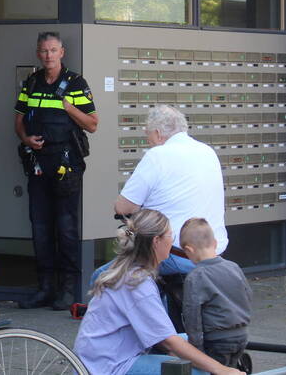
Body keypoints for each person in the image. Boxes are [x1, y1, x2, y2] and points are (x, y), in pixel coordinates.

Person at [72, 209, 244, 375]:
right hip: (111, 367)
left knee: (198, 345)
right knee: (200, 371)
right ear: (156, 241)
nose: (173, 242)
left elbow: (165, 338)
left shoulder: (132, 271)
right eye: (170, 236)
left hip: (106, 357)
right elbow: (168, 342)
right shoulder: (136, 284)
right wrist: (221, 369)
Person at [14, 31, 98, 310]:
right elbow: (18, 120)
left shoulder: (76, 83)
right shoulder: (32, 82)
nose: (48, 55)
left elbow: (92, 124)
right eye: (44, 51)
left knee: (66, 227)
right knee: (40, 227)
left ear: (62, 52)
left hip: (66, 164)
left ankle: (68, 291)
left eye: (53, 50)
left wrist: (68, 107)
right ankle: (45, 288)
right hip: (38, 163)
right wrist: (26, 139)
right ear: (38, 53)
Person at [115, 105, 228, 278]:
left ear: (158, 133)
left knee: (103, 275)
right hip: (215, 253)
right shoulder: (208, 151)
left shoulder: (157, 155)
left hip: (175, 255)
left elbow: (123, 208)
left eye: (148, 135)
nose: (148, 141)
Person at [179, 218, 252, 368]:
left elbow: (192, 316)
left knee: (215, 370)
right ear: (215, 243)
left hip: (216, 338)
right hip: (241, 334)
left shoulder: (196, 276)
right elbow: (248, 295)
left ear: (189, 250)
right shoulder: (233, 267)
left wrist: (196, 350)